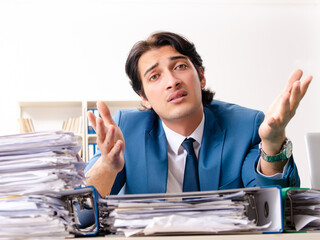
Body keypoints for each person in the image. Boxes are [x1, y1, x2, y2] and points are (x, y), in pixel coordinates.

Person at [85, 32, 312, 198]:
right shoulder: (126, 130)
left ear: (201, 77)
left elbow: (272, 202)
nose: (172, 81)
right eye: (154, 76)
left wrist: (273, 143)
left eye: (180, 66)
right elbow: (81, 213)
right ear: (144, 97)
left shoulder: (246, 126)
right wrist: (107, 166)